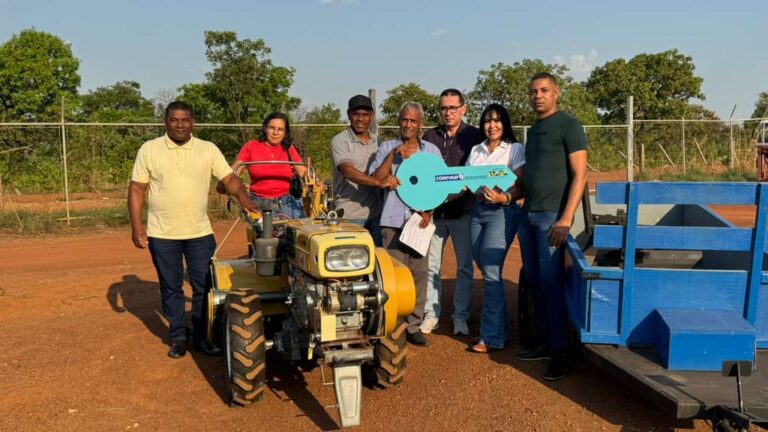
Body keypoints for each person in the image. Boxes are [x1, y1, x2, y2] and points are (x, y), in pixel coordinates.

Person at [128, 101, 256, 359]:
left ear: (193, 122)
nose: (180, 125)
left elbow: (228, 178)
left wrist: (244, 198)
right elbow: (137, 188)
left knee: (205, 287)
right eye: (174, 120)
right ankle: (178, 337)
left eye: (185, 120)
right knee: (171, 287)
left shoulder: (207, 149)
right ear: (166, 122)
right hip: (162, 234)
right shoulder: (149, 149)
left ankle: (202, 337)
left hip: (199, 233)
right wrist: (136, 225)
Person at [515, 72, 588, 381]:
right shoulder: (534, 129)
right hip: (528, 215)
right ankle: (547, 343)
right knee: (535, 282)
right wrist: (507, 195)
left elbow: (580, 175)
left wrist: (566, 218)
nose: (538, 96)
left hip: (551, 219)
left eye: (544, 90)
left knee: (550, 283)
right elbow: (529, 178)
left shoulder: (569, 125)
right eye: (533, 91)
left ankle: (559, 352)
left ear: (556, 93)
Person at [369, 102, 441, 346]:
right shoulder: (388, 147)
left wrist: (429, 212)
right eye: (404, 120)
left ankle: (413, 325)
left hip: (419, 221)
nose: (408, 125)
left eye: (413, 121)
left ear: (420, 124)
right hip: (393, 220)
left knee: (419, 274)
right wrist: (392, 156)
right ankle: (394, 324)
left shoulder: (431, 151)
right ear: (399, 121)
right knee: (393, 275)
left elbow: (438, 184)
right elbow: (376, 179)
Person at [421, 89, 482, 336]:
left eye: (453, 108)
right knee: (431, 266)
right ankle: (431, 313)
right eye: (444, 108)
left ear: (463, 109)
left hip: (463, 211)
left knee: (464, 267)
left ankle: (460, 316)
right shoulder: (430, 136)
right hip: (435, 215)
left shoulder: (474, 136)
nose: (448, 112)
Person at [465, 104, 525, 353]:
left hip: (502, 212)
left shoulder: (513, 149)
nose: (492, 125)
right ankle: (500, 330)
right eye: (488, 121)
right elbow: (466, 181)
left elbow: (521, 184)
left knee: (490, 271)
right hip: (477, 212)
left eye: (498, 121)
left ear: (505, 124)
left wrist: (504, 198)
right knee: (484, 265)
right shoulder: (476, 150)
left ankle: (489, 337)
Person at [331, 95, 399, 246]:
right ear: (349, 115)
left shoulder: (379, 143)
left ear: (371, 116)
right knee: (351, 263)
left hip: (375, 215)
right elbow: (347, 170)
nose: (360, 119)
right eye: (356, 114)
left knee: (377, 263)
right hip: (349, 215)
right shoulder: (340, 141)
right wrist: (378, 182)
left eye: (365, 115)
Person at [232, 112, 307, 219]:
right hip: (258, 205)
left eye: (280, 129)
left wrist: (314, 178)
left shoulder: (288, 149)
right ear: (265, 129)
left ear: (285, 133)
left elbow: (303, 172)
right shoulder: (251, 146)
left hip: (286, 205)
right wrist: (240, 195)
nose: (275, 132)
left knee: (296, 233)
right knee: (262, 235)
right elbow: (232, 174)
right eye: (272, 128)